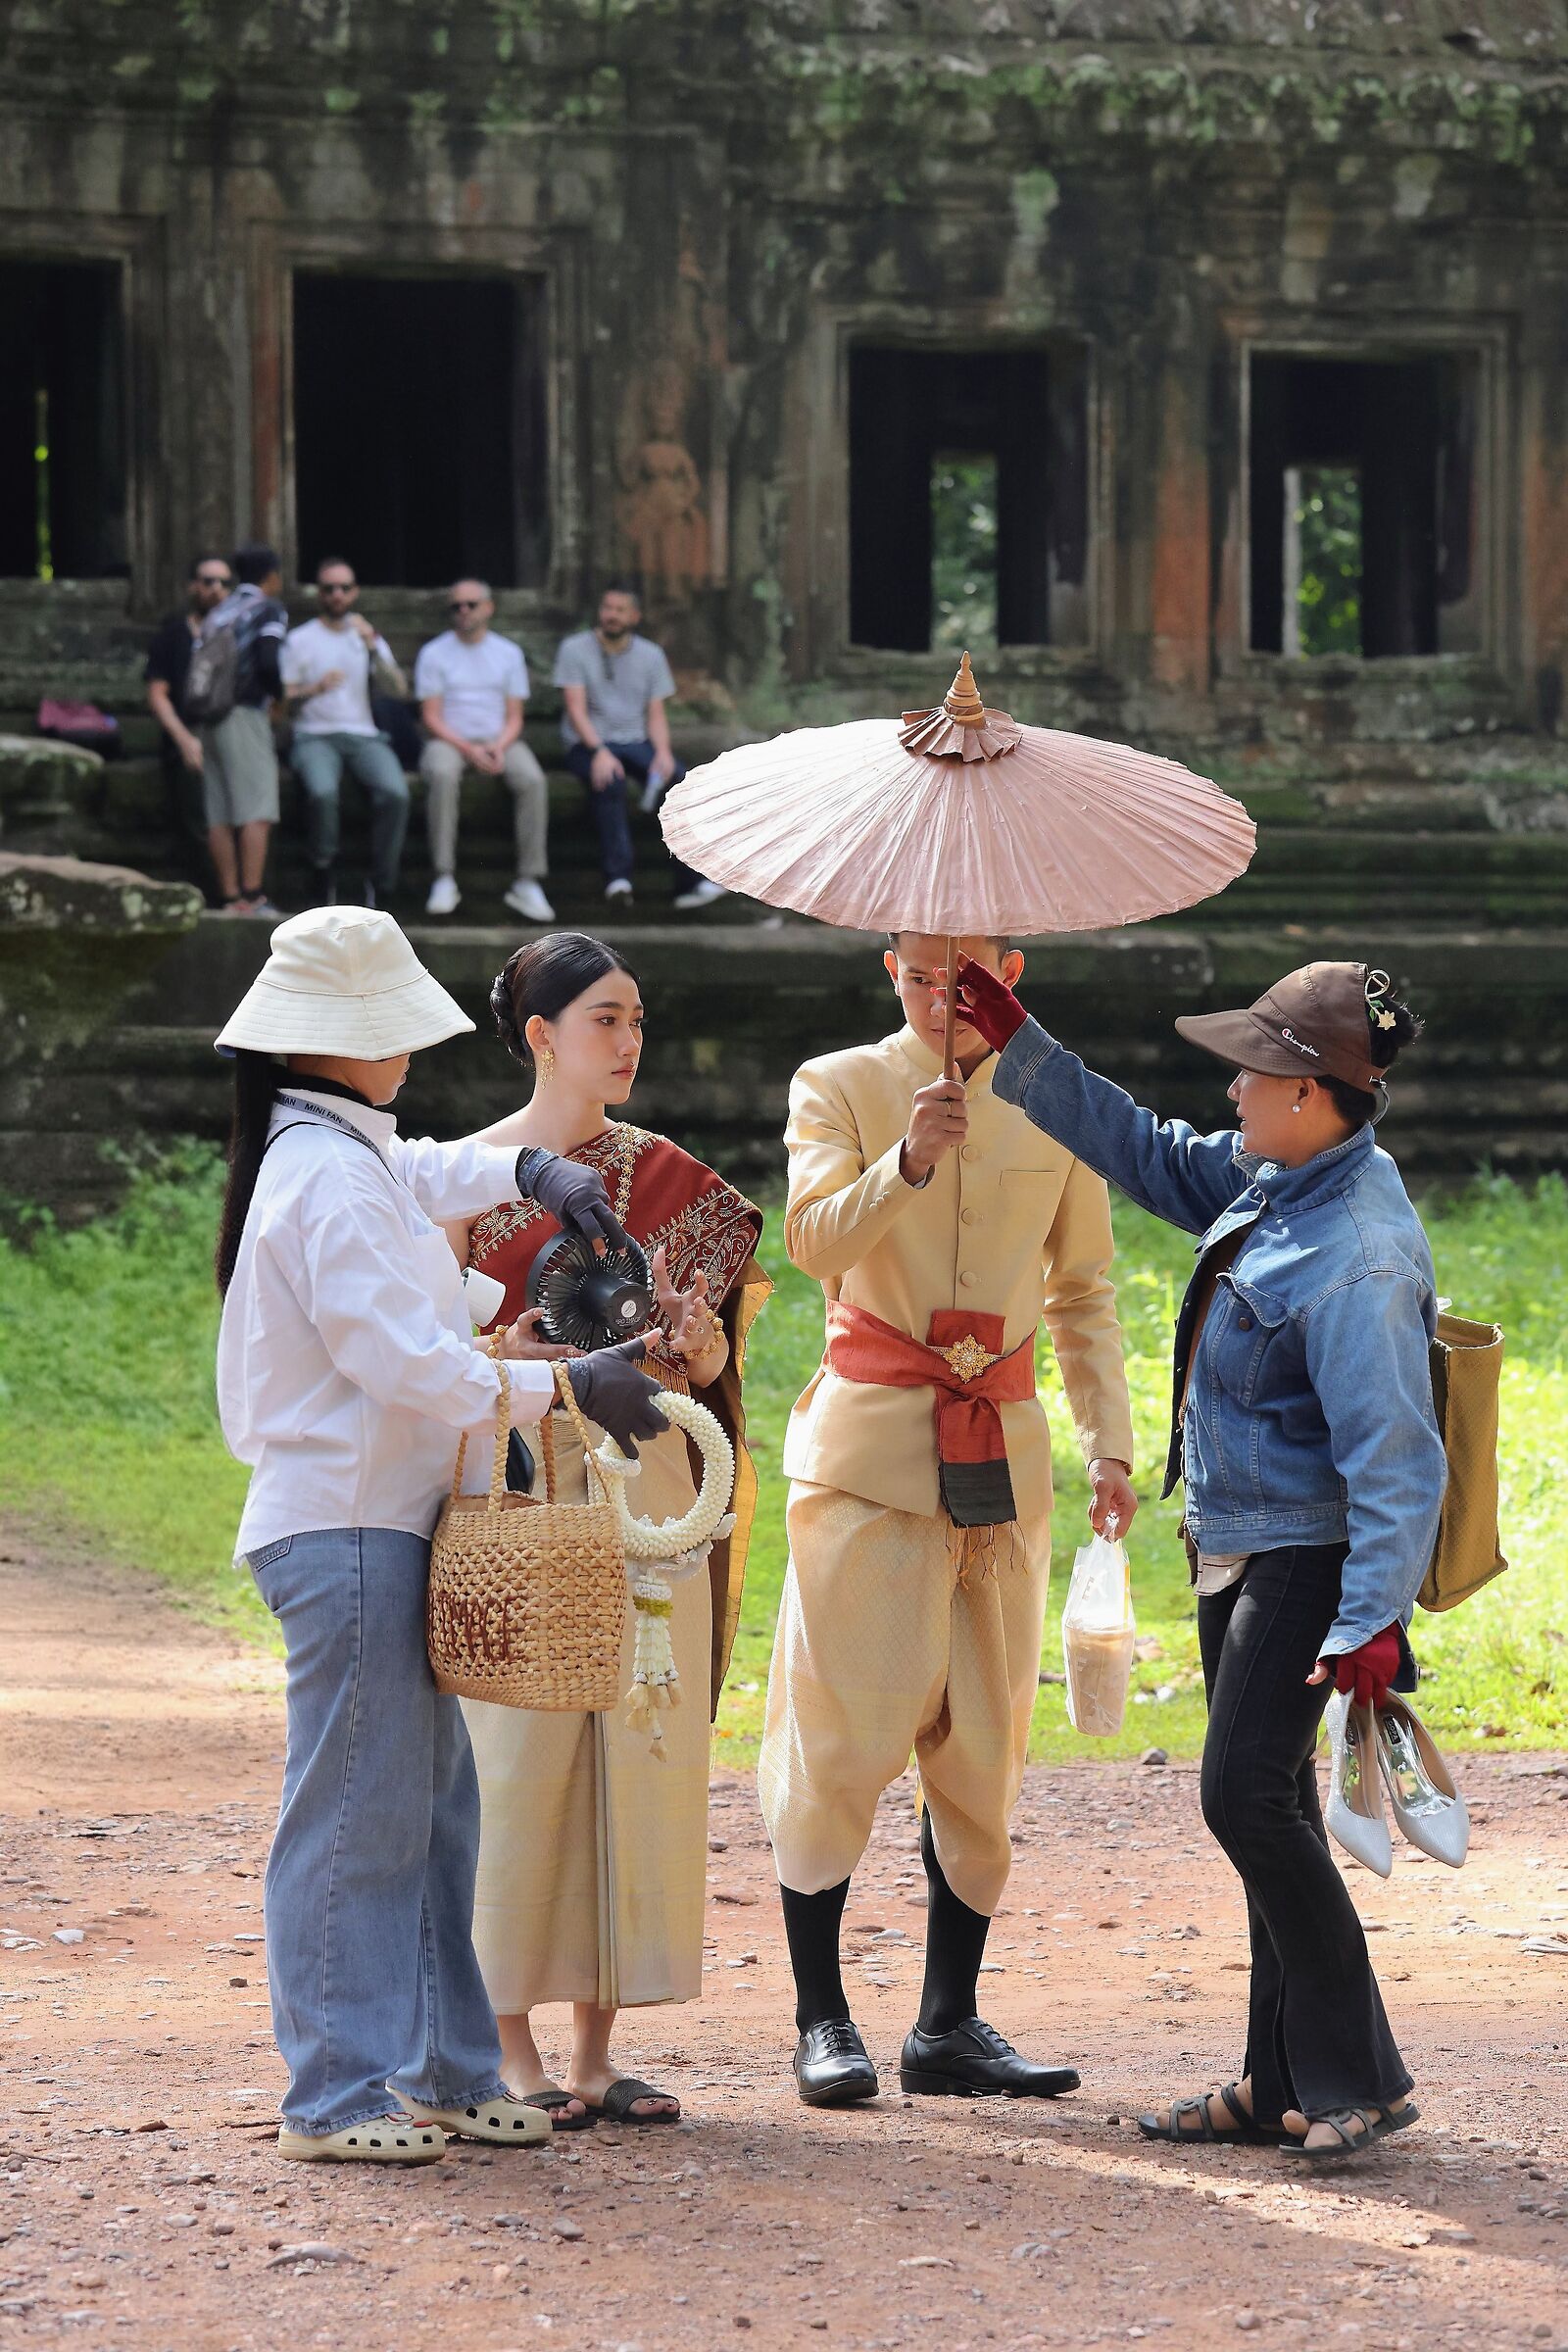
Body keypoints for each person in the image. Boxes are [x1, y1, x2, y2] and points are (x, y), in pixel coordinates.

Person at [956, 953, 1444, 2163]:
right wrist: (1023, 1044)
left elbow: (1395, 1462)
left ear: (1308, 1090)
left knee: (1243, 1801)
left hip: (1306, 1563)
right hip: (1239, 1548)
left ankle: (1357, 2079)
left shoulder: (1359, 1252)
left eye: (1251, 1069)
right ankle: (1275, 2083)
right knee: (1265, 1806)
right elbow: (1151, 1151)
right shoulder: (1280, 1179)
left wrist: (1370, 1622)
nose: (1230, 1088)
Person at [215, 905, 668, 2166]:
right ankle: (334, 2093)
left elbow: (417, 1173)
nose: (412, 1051)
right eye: (395, 1031)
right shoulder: (320, 1176)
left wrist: (526, 1170)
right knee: (360, 1811)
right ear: (337, 1041)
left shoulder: (339, 1150)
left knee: (429, 1806)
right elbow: (411, 1366)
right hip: (346, 1523)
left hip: (383, 1521)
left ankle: (447, 2067)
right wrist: (569, 1386)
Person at [757, 932, 1136, 2108]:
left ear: (1006, 975)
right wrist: (906, 1164)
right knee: (843, 1732)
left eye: (961, 979)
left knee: (985, 1748)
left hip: (1004, 1462)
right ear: (889, 974)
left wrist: (1109, 1444)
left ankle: (947, 2024)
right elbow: (810, 1241)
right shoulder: (838, 1085)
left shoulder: (1054, 1103)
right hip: (871, 1453)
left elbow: (1081, 1293)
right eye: (918, 977)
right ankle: (822, 2016)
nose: (938, 1000)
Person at [445, 932, 767, 2127]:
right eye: (605, 1021)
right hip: (528, 1475)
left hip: (649, 1472)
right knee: (519, 1755)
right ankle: (509, 2047)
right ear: (539, 1035)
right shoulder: (464, 1176)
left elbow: (717, 1354)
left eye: (637, 1020)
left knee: (640, 1737)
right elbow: (440, 1349)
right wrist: (508, 1356)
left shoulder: (668, 1173)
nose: (629, 1043)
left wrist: (697, 1340)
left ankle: (598, 2047)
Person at [554, 581, 724, 913]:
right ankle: (618, 879)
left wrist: (662, 753)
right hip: (587, 744)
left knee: (679, 783)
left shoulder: (650, 655)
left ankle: (691, 882)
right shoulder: (575, 649)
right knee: (609, 782)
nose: (611, 616)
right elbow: (575, 709)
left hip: (635, 742)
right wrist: (599, 751)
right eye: (607, 609)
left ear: (634, 616)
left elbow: (656, 714)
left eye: (619, 610)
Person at [414, 580, 553, 923]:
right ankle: (444, 877)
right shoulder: (434, 653)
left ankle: (528, 881)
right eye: (456, 606)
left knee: (533, 780)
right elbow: (430, 716)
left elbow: (515, 716)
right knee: (442, 775)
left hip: (499, 738)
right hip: (448, 740)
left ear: (488, 608)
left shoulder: (507, 653)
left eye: (471, 604)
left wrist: (497, 746)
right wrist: (467, 748)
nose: (463, 611)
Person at [281, 559, 411, 907]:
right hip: (315, 734)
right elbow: (280, 698)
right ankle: (322, 870)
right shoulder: (301, 639)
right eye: (329, 588)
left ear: (354, 592)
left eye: (344, 588)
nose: (337, 595)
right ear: (318, 593)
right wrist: (314, 688)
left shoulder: (365, 634)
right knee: (322, 793)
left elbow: (398, 689)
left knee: (395, 793)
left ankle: (382, 883)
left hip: (364, 734)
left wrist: (372, 647)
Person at [199, 542, 287, 919]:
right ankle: (252, 897)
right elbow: (268, 660)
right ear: (271, 576)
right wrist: (279, 698)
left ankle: (229, 896)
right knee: (256, 808)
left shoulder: (218, 612)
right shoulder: (268, 608)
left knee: (218, 810)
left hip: (209, 716)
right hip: (244, 714)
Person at [144, 550, 232, 884]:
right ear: (192, 586)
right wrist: (184, 740)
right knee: (198, 807)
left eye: (225, 582)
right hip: (185, 735)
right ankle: (212, 890)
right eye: (209, 581)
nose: (217, 589)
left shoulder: (235, 634)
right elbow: (157, 694)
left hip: (227, 733)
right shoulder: (172, 634)